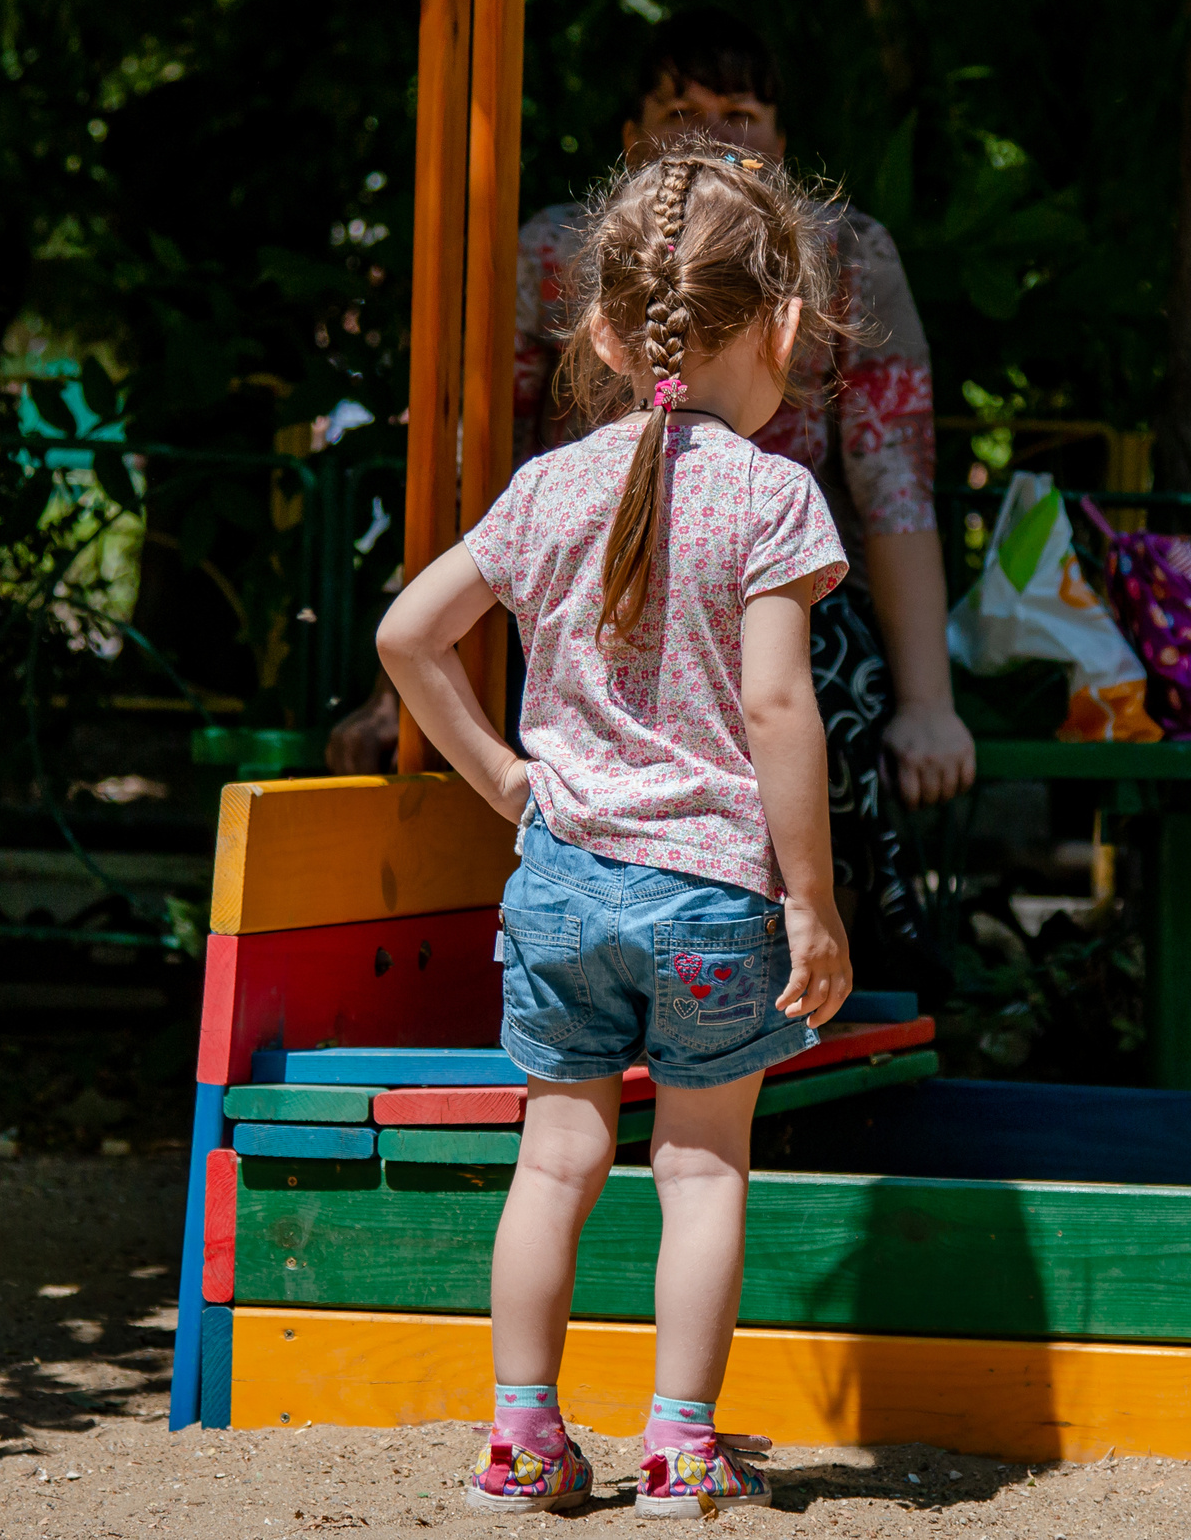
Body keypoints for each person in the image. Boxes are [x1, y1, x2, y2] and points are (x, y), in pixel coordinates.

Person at [375, 143, 855, 1516]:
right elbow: (778, 707)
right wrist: (811, 899)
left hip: (563, 883)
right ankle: (681, 1443)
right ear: (783, 323)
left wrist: (505, 777)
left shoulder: (548, 489)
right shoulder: (771, 497)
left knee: (556, 1153)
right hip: (712, 896)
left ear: (597, 324)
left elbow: (409, 634)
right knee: (701, 1163)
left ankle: (523, 1436)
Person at [515, 8, 971, 978]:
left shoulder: (844, 252)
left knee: (826, 702)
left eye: (742, 112)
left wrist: (928, 703)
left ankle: (822, 969)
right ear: (631, 134)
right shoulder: (557, 251)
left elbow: (894, 482)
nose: (714, 134)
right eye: (681, 109)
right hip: (586, 592)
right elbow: (481, 461)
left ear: (781, 140)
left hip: (784, 587)